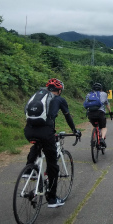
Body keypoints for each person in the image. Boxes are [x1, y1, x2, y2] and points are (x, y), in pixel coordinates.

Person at [24, 78, 81, 208]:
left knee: (37, 145)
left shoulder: (38, 97)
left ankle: (29, 169)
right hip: (46, 132)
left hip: (29, 130)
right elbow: (67, 116)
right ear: (59, 90)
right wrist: (74, 130)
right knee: (53, 165)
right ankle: (52, 199)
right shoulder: (59, 99)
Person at [84, 82, 113, 147]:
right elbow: (107, 105)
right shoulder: (104, 94)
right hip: (100, 113)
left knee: (94, 126)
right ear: (101, 88)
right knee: (103, 127)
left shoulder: (88, 94)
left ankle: (93, 139)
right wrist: (110, 112)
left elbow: (86, 104)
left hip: (90, 113)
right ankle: (102, 139)